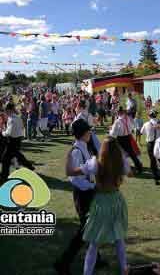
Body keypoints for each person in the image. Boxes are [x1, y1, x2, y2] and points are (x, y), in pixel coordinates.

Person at [54, 119, 106, 275]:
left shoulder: (85, 147)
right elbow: (74, 178)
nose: (91, 133)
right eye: (88, 131)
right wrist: (92, 186)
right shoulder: (76, 150)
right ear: (83, 133)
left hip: (89, 192)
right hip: (83, 195)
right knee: (84, 231)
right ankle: (63, 263)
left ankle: (95, 259)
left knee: (91, 228)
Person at [82, 136, 129, 275]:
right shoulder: (122, 163)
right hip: (116, 198)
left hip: (101, 200)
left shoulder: (95, 163)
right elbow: (129, 172)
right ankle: (123, 270)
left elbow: (80, 171)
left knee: (94, 241)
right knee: (119, 238)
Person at [0, 103, 34, 184]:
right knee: (18, 155)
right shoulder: (17, 117)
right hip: (18, 139)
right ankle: (30, 167)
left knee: (6, 159)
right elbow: (21, 127)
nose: (6, 112)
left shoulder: (11, 119)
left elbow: (9, 133)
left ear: (9, 110)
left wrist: (2, 132)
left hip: (12, 140)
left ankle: (4, 177)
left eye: (6, 110)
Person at [110, 107, 143, 174]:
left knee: (119, 153)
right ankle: (139, 166)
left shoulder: (117, 121)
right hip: (128, 137)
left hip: (120, 138)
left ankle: (121, 168)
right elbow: (131, 127)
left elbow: (113, 133)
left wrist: (110, 130)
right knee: (132, 153)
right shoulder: (127, 118)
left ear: (118, 113)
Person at [141, 110, 160, 185]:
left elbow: (142, 132)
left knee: (152, 160)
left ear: (149, 116)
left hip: (150, 143)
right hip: (159, 143)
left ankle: (156, 177)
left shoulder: (146, 124)